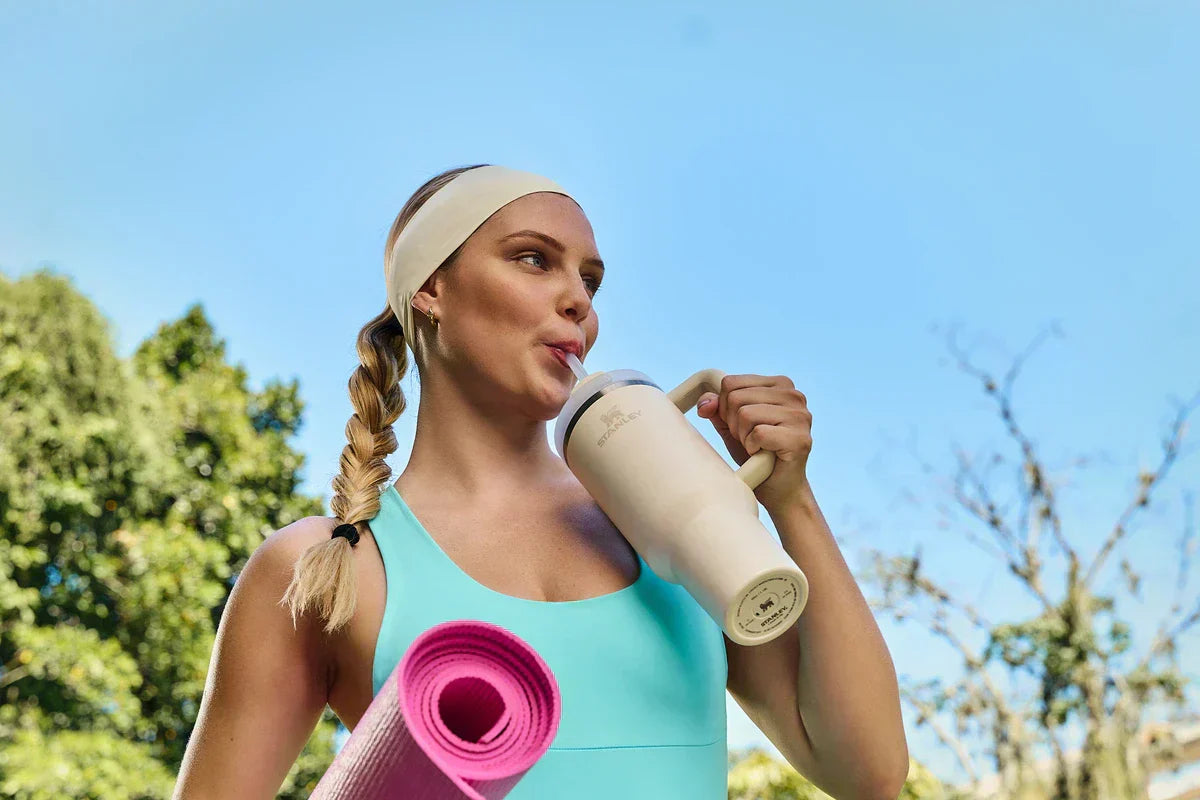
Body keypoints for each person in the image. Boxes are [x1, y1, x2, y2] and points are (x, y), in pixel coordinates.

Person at [172, 164, 909, 800]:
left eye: (589, 280)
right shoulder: (328, 568)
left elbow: (867, 773)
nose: (579, 301)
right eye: (533, 259)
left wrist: (790, 499)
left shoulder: (672, 517)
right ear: (431, 288)